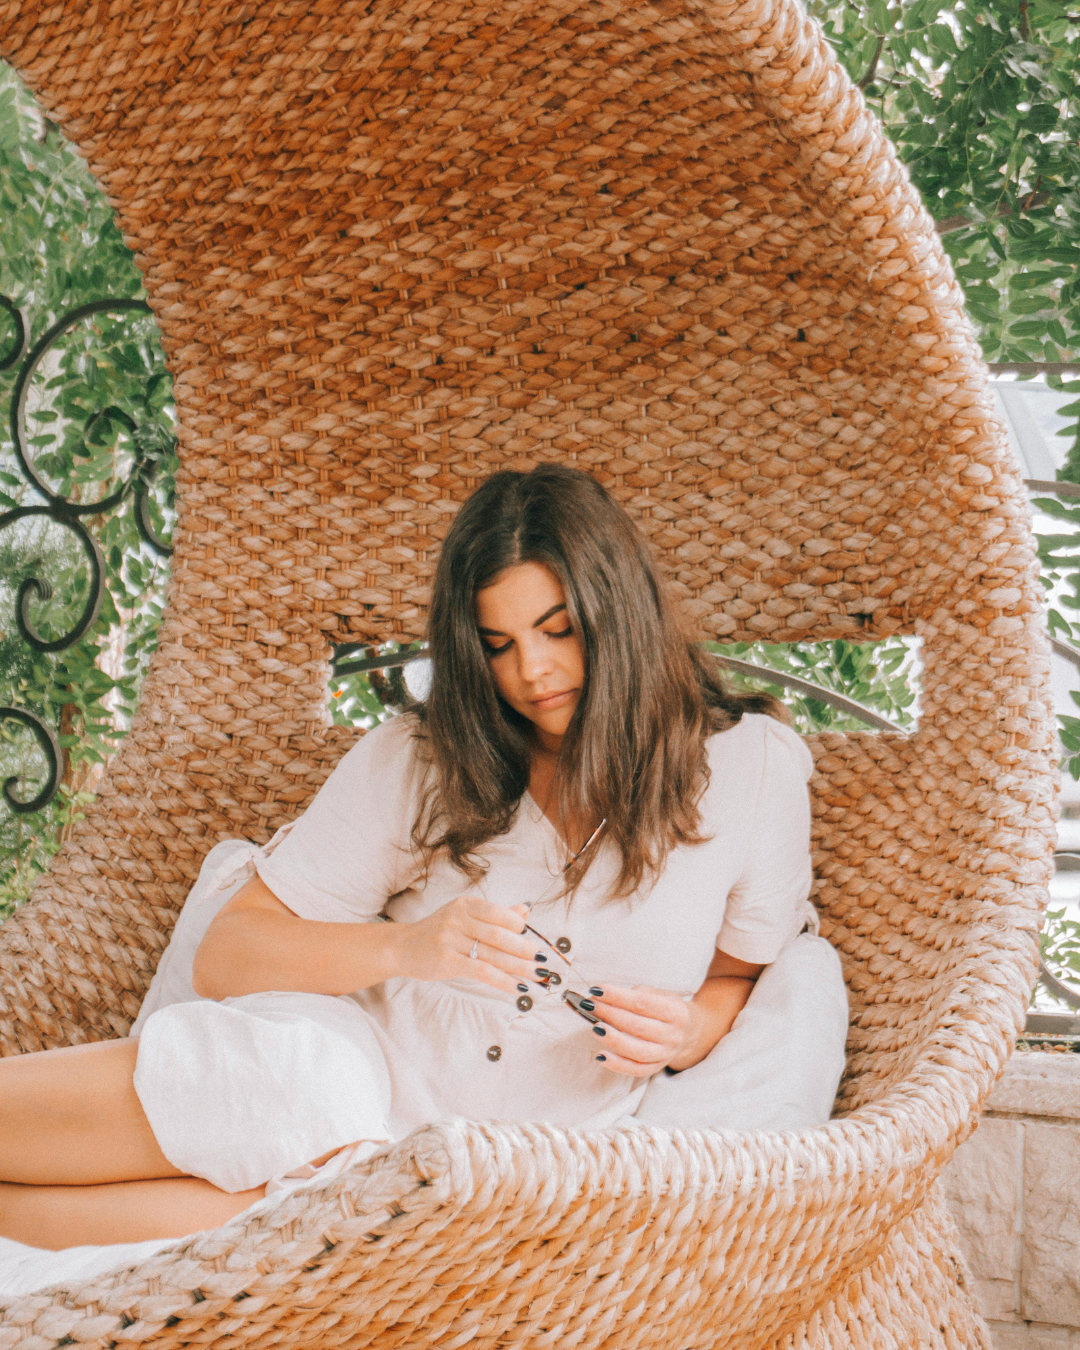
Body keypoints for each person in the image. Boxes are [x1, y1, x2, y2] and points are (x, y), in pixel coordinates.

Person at [0, 464, 818, 1251]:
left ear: (620, 610)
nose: (530, 672)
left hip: (512, 1162)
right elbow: (226, 953)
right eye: (496, 645)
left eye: (558, 630)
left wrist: (685, 1033)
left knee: (301, 1224)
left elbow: (739, 975)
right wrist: (409, 947)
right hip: (346, 1074)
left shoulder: (752, 770)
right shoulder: (428, 756)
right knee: (292, 1093)